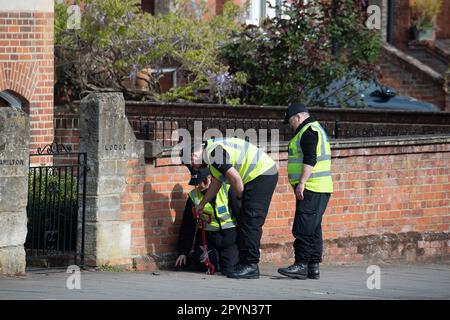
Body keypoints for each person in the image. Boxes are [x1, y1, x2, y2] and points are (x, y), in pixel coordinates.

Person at [191, 137, 278, 279]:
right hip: (259, 174)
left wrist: (240, 199)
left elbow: (235, 178)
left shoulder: (213, 152)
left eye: (192, 161)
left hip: (261, 174)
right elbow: (216, 183)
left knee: (250, 220)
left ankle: (250, 265)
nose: (193, 165)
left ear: (195, 153)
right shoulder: (213, 155)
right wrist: (202, 204)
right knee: (247, 220)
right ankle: (246, 263)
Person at [278, 103, 333, 280]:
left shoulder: (308, 131)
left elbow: (311, 158)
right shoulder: (314, 129)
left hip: (312, 186)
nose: (290, 124)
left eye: (290, 121)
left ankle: (301, 264)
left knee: (303, 228)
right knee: (313, 228)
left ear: (299, 117)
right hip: (319, 187)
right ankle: (313, 266)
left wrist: (301, 182)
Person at [175, 167, 239, 276]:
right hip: (208, 238)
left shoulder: (226, 189)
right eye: (194, 183)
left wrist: (247, 242)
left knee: (229, 268)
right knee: (204, 265)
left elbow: (240, 215)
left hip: (229, 236)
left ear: (209, 179)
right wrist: (183, 252)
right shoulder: (193, 196)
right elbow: (188, 226)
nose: (196, 186)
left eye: (198, 182)